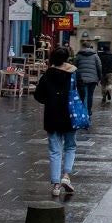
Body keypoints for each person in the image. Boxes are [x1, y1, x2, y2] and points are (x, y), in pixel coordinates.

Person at [34, 47, 80, 199]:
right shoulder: (73, 74)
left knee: (55, 150)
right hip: (70, 115)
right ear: (67, 58)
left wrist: (50, 101)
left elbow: (38, 95)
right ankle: (66, 176)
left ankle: (55, 185)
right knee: (70, 146)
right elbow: (81, 94)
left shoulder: (48, 74)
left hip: (52, 116)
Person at [73, 37, 102, 119]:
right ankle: (88, 111)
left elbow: (74, 67)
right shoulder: (95, 55)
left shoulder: (78, 55)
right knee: (90, 96)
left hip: (82, 80)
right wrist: (99, 77)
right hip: (93, 79)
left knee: (83, 95)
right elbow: (99, 67)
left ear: (82, 46)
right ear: (90, 47)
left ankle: (84, 112)